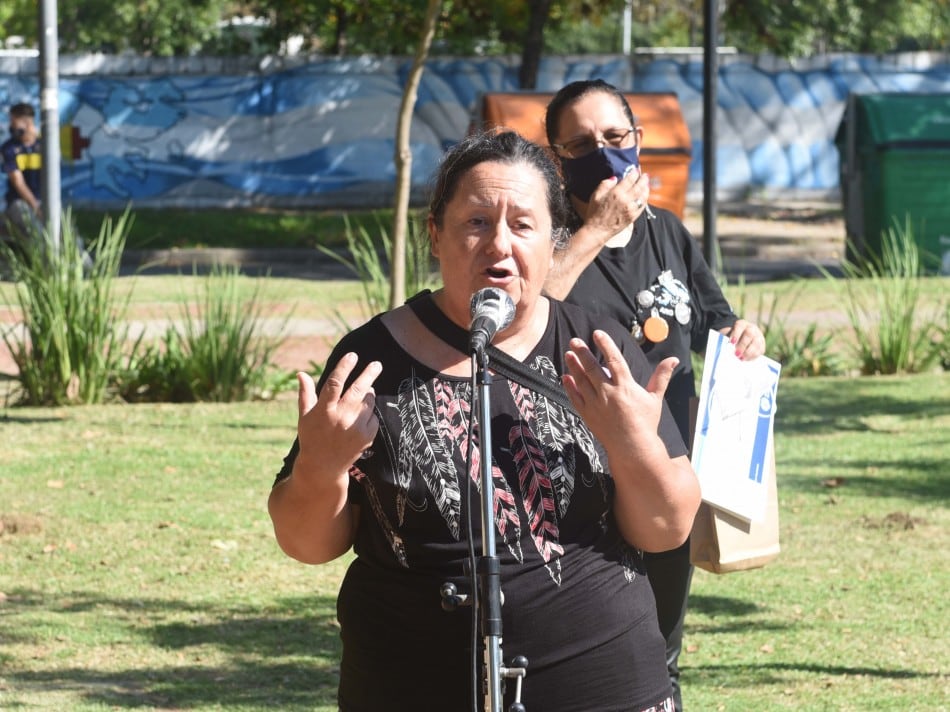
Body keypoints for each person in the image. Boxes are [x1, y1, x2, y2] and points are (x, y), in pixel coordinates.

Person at [268, 130, 701, 712]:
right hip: (409, 683)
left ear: (555, 241)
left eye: (523, 225)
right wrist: (322, 466)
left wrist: (631, 444)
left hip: (604, 684)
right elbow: (306, 543)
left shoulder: (601, 350)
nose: (499, 245)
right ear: (436, 234)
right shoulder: (371, 359)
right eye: (475, 222)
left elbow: (667, 527)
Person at [542, 79, 766, 711]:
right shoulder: (546, 238)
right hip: (581, 484)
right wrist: (593, 231)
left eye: (616, 137)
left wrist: (741, 334)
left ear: (638, 140)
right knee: (582, 649)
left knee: (661, 651)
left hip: (669, 478)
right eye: (582, 144)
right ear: (556, 159)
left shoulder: (667, 232)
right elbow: (523, 317)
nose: (604, 153)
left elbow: (717, 322)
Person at [2, 102, 44, 241]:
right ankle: (46, 262)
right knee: (36, 232)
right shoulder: (9, 148)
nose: (11, 126)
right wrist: (36, 207)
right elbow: (18, 183)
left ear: (27, 123)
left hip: (43, 200)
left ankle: (86, 263)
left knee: (67, 234)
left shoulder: (45, 144)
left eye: (14, 122)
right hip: (19, 202)